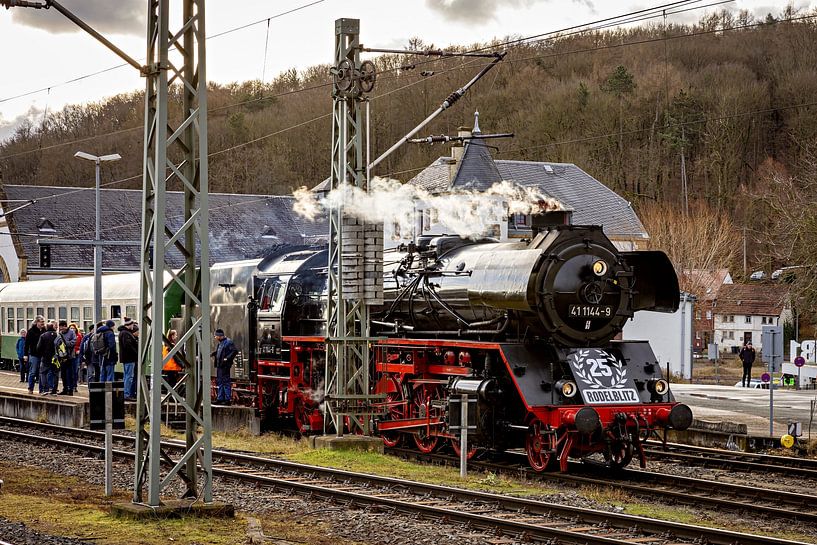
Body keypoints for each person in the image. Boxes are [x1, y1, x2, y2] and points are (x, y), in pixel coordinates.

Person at [212, 328, 236, 405]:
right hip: (220, 365)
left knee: (225, 382)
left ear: (219, 336)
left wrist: (227, 358)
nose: (215, 337)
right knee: (220, 382)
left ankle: (227, 399)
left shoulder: (228, 342)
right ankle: (220, 398)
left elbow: (234, 351)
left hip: (225, 366)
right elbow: (219, 351)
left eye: (215, 336)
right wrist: (214, 354)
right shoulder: (220, 343)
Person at [24, 316, 45, 394]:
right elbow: (26, 344)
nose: (43, 323)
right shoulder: (31, 331)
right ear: (37, 322)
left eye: (43, 322)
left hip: (42, 355)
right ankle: (30, 388)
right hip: (34, 354)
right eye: (41, 322)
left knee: (41, 372)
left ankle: (41, 389)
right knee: (33, 372)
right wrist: (25, 354)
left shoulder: (44, 330)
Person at [118, 318, 138, 400]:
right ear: (129, 325)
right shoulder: (126, 334)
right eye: (132, 324)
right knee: (129, 376)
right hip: (129, 358)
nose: (133, 326)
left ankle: (126, 393)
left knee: (127, 376)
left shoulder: (123, 333)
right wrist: (136, 352)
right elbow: (128, 346)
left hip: (127, 358)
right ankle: (127, 394)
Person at [37, 322, 58, 395]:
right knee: (55, 373)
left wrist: (42, 354)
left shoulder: (43, 336)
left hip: (45, 358)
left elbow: (38, 347)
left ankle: (45, 389)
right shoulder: (57, 335)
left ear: (46, 328)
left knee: (43, 373)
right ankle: (54, 390)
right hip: (55, 358)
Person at [57, 321, 77, 395]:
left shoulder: (71, 332)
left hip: (70, 356)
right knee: (63, 374)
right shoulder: (60, 333)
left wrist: (65, 343)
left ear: (65, 326)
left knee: (70, 373)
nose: (60, 329)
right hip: (62, 356)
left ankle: (70, 389)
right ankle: (65, 388)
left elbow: (74, 342)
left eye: (61, 327)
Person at [70, 324, 82, 390]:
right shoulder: (68, 336)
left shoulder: (79, 336)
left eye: (73, 328)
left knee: (75, 370)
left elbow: (81, 344)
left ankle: (75, 385)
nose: (72, 329)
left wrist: (79, 350)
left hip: (76, 355)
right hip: (70, 355)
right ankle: (70, 385)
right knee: (70, 370)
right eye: (71, 328)